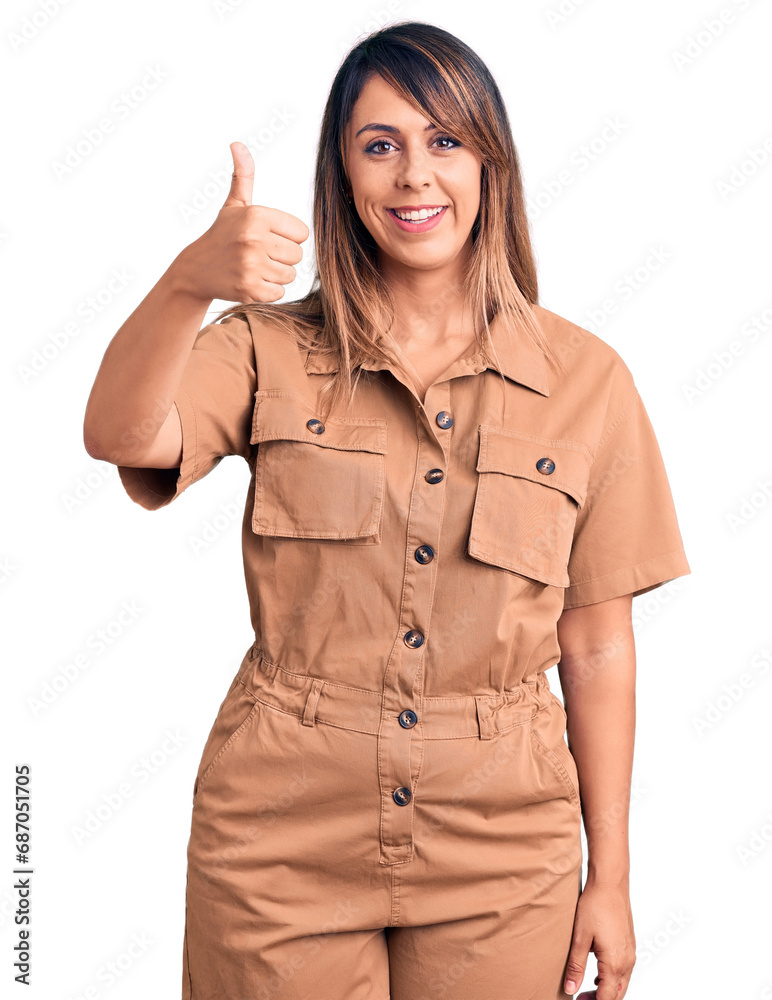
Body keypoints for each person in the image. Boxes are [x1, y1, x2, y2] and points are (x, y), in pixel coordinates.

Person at [83, 20, 691, 1000]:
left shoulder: (588, 380)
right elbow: (121, 433)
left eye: (443, 140)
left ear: (490, 163)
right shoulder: (265, 350)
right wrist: (188, 280)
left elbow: (597, 645)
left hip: (503, 840)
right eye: (380, 145)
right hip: (280, 828)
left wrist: (609, 875)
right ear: (344, 174)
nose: (414, 175)